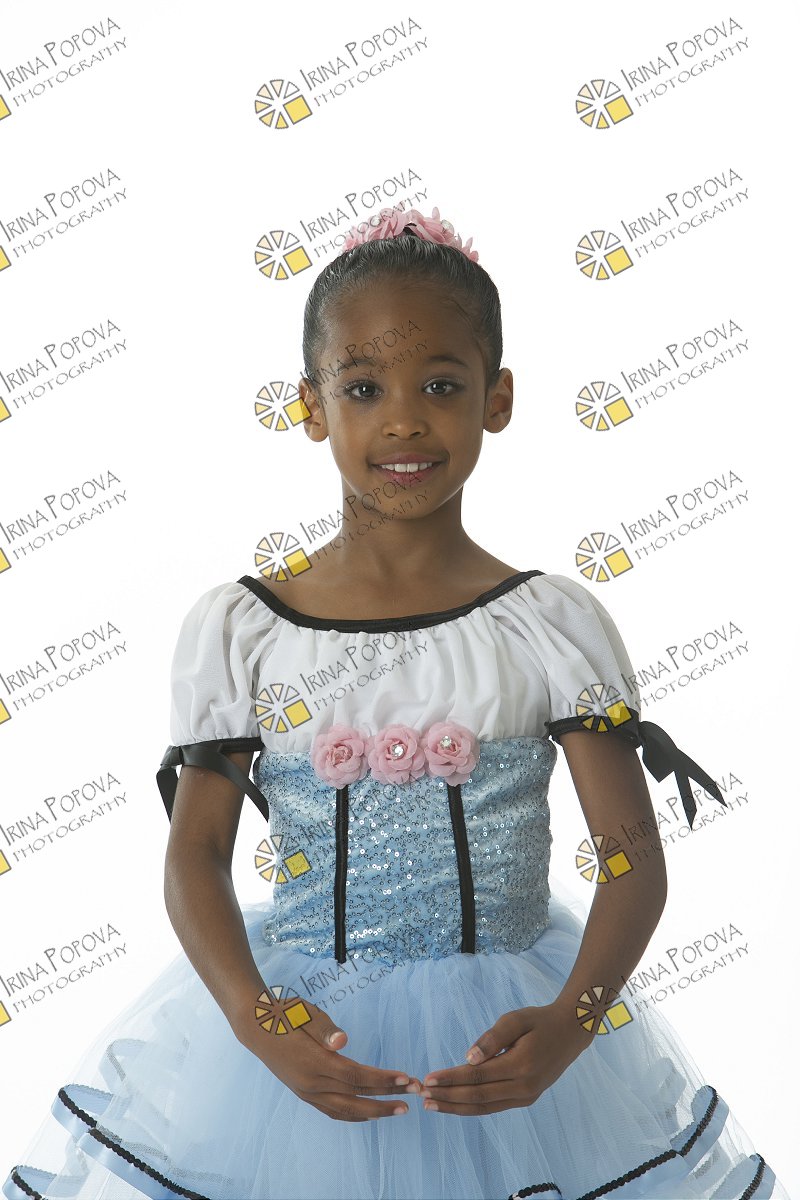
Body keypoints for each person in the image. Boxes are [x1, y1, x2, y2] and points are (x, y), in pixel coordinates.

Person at [3, 208, 788, 1200]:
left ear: (497, 399)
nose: (405, 420)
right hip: (308, 1027)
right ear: (311, 406)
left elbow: (630, 858)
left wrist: (569, 1026)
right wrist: (258, 1023)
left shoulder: (549, 624)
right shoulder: (243, 629)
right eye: (364, 387)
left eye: (441, 386)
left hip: (503, 1038)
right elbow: (195, 855)